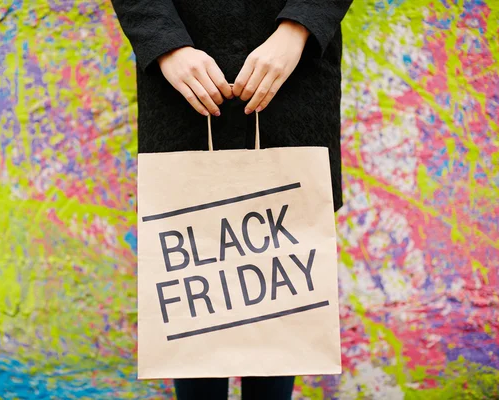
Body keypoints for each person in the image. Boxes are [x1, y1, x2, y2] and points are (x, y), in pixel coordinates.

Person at [111, 1, 352, 399]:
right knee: (194, 275)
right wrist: (166, 43)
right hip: (184, 80)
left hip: (293, 73)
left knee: (282, 279)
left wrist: (299, 28)